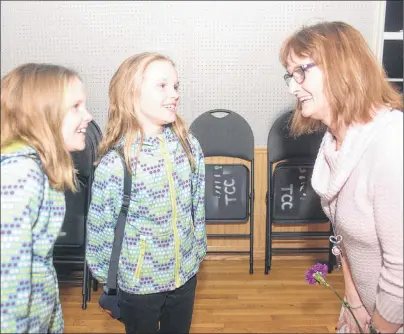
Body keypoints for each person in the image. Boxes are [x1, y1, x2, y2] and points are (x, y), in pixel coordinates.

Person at [279, 21, 403, 333]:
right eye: (289, 75)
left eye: (301, 71)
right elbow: (344, 236)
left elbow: (401, 269)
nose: (292, 87)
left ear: (342, 67)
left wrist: (380, 328)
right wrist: (354, 301)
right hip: (366, 308)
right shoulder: (335, 143)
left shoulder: (391, 144)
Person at [86, 52, 207, 334]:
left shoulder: (189, 145)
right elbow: (100, 230)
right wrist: (108, 280)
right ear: (132, 93)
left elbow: (197, 203)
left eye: (176, 86)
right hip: (140, 285)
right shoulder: (116, 162)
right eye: (162, 85)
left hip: (185, 275)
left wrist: (197, 251)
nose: (174, 94)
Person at [1, 63, 92, 333]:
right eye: (76, 106)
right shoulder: (19, 176)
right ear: (40, 114)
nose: (87, 116)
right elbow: (7, 286)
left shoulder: (37, 170)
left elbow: (38, 271)